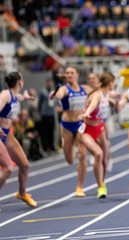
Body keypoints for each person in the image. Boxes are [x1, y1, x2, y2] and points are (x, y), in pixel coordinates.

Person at [50, 66, 91, 197]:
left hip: (80, 125)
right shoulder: (64, 89)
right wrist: (54, 94)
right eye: (67, 73)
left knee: (83, 155)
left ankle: (80, 187)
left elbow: (99, 93)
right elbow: (59, 94)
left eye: (72, 73)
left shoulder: (85, 89)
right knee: (70, 160)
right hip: (67, 125)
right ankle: (68, 149)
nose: (69, 75)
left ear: (77, 74)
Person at [0, 71, 37, 207]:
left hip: (7, 134)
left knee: (24, 164)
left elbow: (19, 97)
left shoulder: (15, 95)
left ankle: (22, 193)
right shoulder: (5, 95)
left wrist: (26, 97)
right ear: (20, 83)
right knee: (8, 168)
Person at [78, 72, 116, 198]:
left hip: (99, 129)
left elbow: (112, 96)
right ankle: (100, 187)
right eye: (113, 83)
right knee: (98, 154)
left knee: (105, 159)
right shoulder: (97, 95)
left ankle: (102, 182)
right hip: (87, 130)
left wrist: (116, 100)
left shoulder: (106, 94)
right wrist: (87, 112)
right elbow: (93, 104)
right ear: (110, 83)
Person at [87, 72, 114, 171]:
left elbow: (110, 94)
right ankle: (97, 155)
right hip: (92, 119)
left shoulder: (103, 89)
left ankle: (107, 157)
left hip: (103, 118)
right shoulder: (90, 91)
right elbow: (93, 103)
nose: (92, 80)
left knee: (105, 140)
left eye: (93, 78)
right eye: (90, 78)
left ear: (98, 79)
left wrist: (113, 99)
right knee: (95, 141)